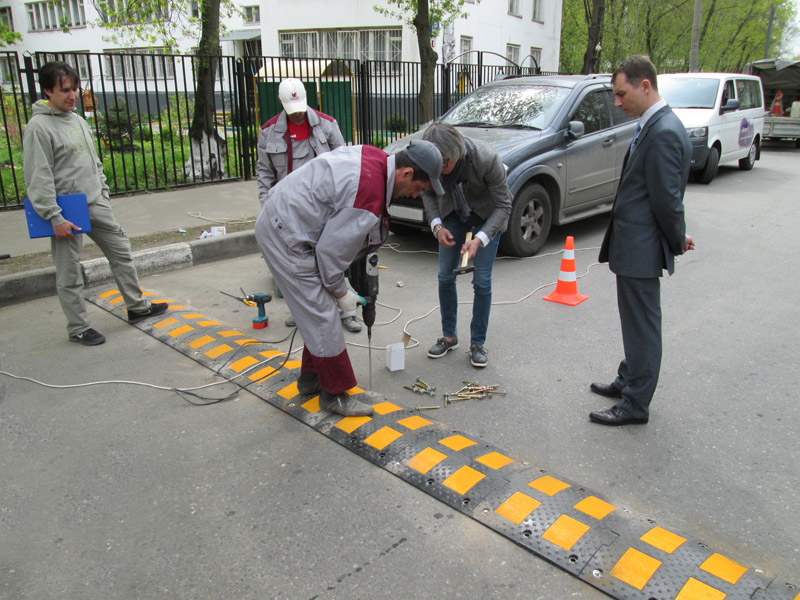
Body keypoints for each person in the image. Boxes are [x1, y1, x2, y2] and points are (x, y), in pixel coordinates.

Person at [255, 141, 444, 417]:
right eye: (418, 188)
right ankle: (334, 395)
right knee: (323, 314)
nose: (415, 195)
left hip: (284, 218)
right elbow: (330, 253)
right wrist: (340, 291)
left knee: (317, 312)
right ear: (406, 173)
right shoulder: (368, 194)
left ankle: (310, 379)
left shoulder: (377, 160)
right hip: (286, 235)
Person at [22, 61, 168, 346]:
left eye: (74, 89)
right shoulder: (38, 128)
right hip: (65, 209)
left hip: (94, 201)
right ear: (48, 91)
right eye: (65, 90)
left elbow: (92, 160)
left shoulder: (77, 120)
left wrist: (103, 191)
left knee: (121, 250)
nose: (73, 95)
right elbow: (38, 176)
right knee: (69, 270)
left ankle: (137, 307)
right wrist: (54, 216)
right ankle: (78, 327)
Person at [589, 55, 694, 426]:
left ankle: (635, 405)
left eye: (622, 94)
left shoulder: (663, 131)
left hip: (641, 248)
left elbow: (668, 200)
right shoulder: (654, 125)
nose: (618, 102)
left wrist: (676, 240)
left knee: (642, 328)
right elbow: (655, 195)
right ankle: (628, 379)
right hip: (636, 244)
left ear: (645, 86)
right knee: (635, 324)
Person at [255, 78, 359, 332]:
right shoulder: (269, 131)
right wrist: (267, 209)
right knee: (298, 265)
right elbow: (265, 175)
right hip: (289, 211)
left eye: (300, 108)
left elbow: (345, 164)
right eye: (292, 110)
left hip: (325, 207)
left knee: (334, 257)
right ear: (280, 102)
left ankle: (347, 311)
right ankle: (304, 313)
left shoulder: (327, 125)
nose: (298, 114)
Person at [421, 121, 511, 368]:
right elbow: (426, 193)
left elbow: (504, 206)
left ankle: (477, 343)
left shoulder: (487, 159)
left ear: (456, 153)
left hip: (487, 216)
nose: (439, 171)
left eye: (444, 165)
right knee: (444, 276)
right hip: (452, 214)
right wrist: (437, 227)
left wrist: (479, 239)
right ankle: (449, 337)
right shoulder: (432, 161)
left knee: (481, 281)